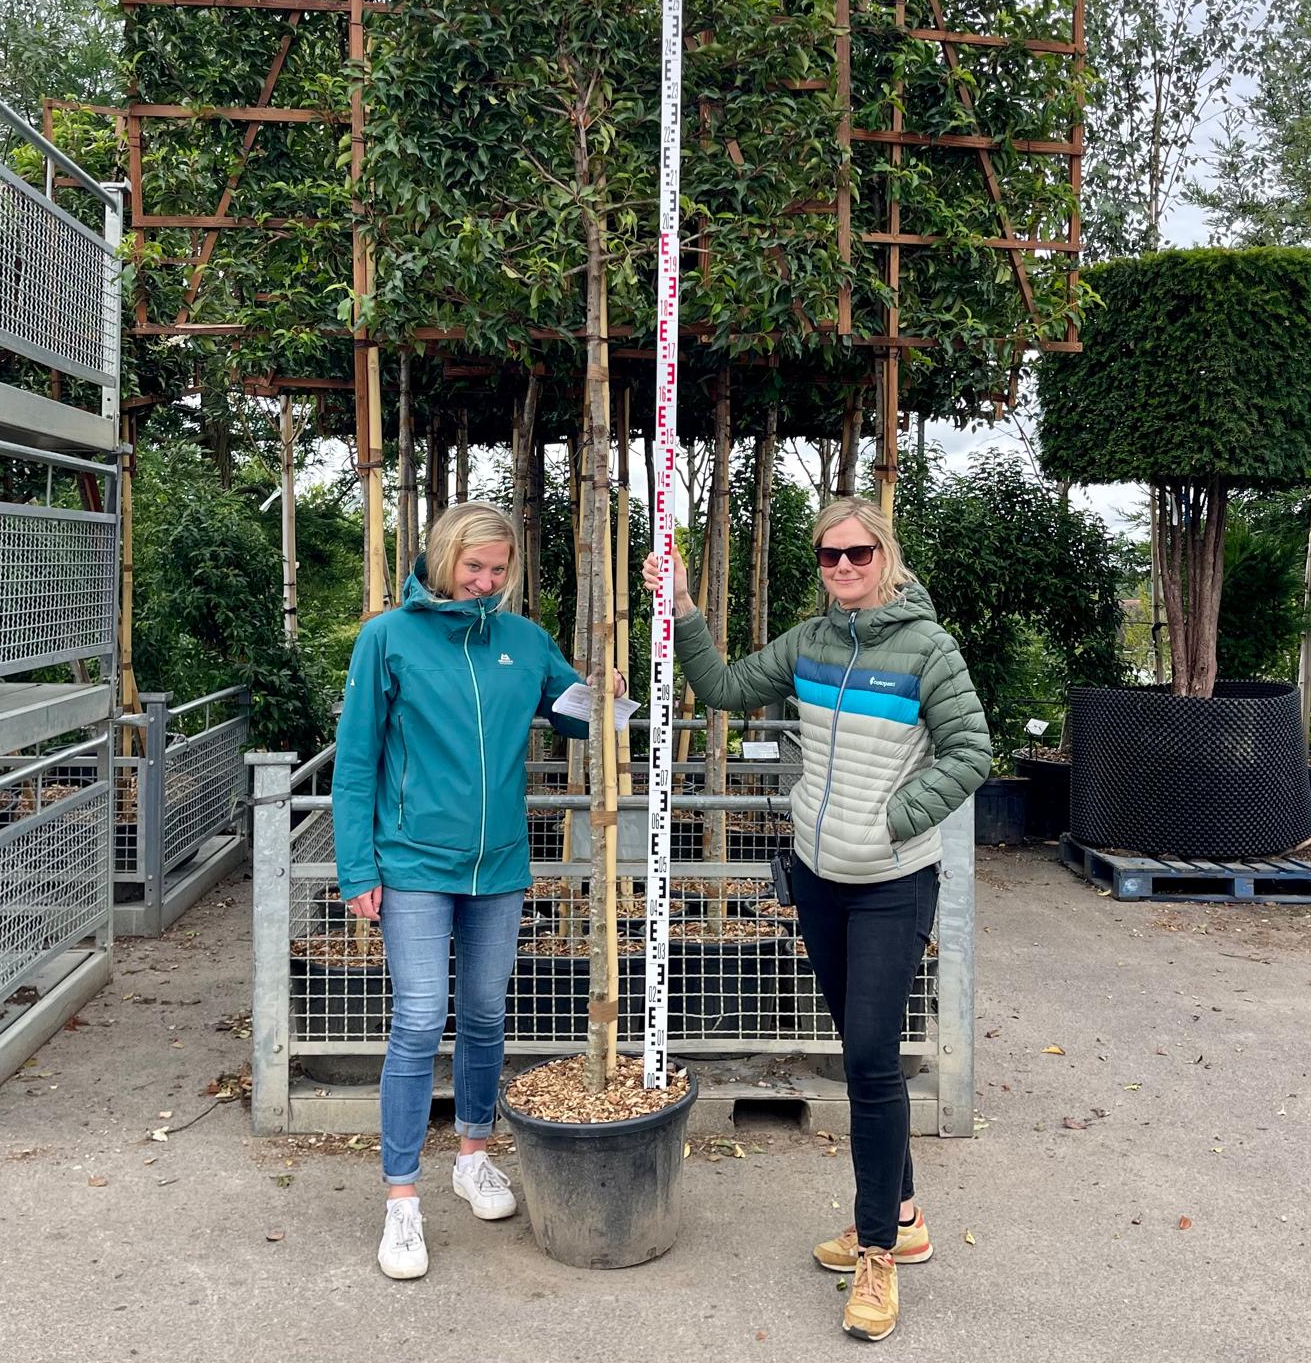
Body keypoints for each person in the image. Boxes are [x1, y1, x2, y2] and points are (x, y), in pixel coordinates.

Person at [643, 495, 989, 1342]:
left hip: (892, 881)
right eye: (829, 555)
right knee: (863, 1052)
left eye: (857, 554)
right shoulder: (809, 643)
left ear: (885, 555)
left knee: (869, 1061)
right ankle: (902, 1215)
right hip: (820, 878)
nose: (842, 568)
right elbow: (723, 688)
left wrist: (896, 820)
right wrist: (683, 607)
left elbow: (971, 752)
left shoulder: (928, 648)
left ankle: (877, 1254)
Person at [333, 500, 624, 1280]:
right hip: (413, 862)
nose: (486, 582)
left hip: (498, 866)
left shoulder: (523, 641)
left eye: (499, 569)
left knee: (488, 1014)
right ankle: (402, 1199)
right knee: (420, 1018)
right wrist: (357, 867)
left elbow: (579, 717)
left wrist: (607, 689)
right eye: (474, 567)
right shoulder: (387, 638)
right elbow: (356, 760)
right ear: (442, 558)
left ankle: (472, 1155)